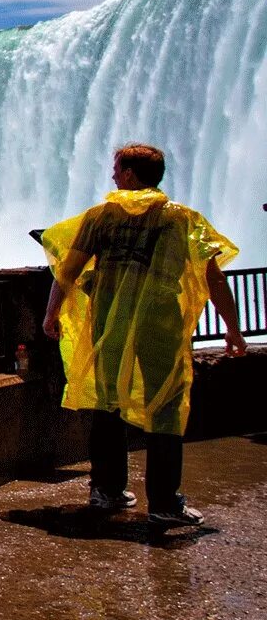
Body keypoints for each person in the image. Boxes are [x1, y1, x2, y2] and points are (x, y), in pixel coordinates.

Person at [41, 143, 246, 526]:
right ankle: (165, 503)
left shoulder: (101, 217)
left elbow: (68, 270)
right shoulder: (182, 219)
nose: (113, 176)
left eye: (117, 169)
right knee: (165, 408)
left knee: (108, 403)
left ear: (132, 174)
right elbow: (213, 278)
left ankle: (107, 490)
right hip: (159, 323)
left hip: (110, 325)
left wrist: (52, 313)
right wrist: (232, 329)